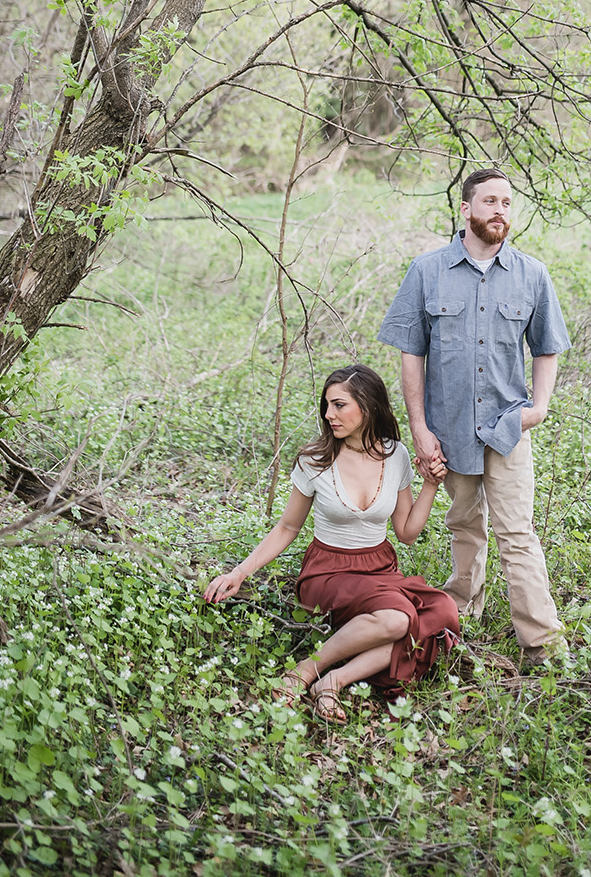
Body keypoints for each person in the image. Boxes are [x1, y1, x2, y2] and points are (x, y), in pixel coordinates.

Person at [377, 168, 571, 665]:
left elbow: (547, 347)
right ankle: (461, 616)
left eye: (507, 203)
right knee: (464, 525)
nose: (499, 211)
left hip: (509, 427)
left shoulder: (532, 274)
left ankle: (543, 645)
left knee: (517, 533)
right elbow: (410, 353)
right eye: (489, 201)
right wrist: (419, 428)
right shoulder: (427, 270)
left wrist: (540, 407)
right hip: (450, 427)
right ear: (465, 209)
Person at [203, 364, 459, 720]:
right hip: (329, 571)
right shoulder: (315, 459)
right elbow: (287, 528)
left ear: (368, 406)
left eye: (339, 405)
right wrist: (240, 572)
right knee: (399, 621)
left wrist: (430, 484)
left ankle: (333, 681)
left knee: (442, 612)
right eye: (327, 405)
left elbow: (406, 533)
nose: (329, 415)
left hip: (379, 569)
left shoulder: (396, 454)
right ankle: (306, 671)